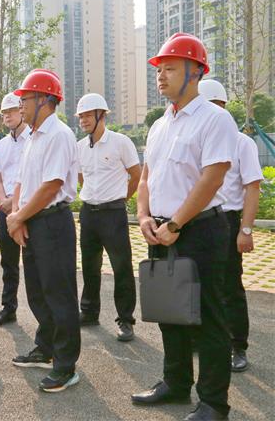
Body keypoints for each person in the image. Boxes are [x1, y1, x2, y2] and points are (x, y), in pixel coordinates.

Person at [131, 33, 238, 421]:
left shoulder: (215, 119)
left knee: (208, 317)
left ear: (195, 72)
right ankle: (175, 384)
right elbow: (146, 177)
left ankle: (213, 402)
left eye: (170, 68)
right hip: (159, 231)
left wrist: (176, 222)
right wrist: (144, 216)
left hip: (200, 231)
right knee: (169, 311)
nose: (161, 76)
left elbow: (212, 177)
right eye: (159, 69)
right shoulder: (160, 125)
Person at [6, 69, 81, 393]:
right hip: (31, 220)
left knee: (59, 294)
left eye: (25, 99)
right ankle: (46, 347)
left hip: (52, 222)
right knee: (37, 291)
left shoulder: (59, 135)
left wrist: (19, 216)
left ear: (45, 100)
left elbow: (51, 185)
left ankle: (66, 366)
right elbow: (21, 183)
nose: (20, 105)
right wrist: (17, 217)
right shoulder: (32, 138)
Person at [199, 79, 263, 373]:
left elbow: (252, 188)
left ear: (223, 107)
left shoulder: (241, 143)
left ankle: (238, 345)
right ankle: (205, 338)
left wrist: (245, 230)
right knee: (200, 284)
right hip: (197, 221)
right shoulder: (197, 140)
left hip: (226, 221)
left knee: (229, 286)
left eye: (213, 106)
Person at [76, 93, 141, 341]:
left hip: (113, 214)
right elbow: (81, 177)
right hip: (88, 213)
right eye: (80, 116)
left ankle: (125, 319)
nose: (83, 120)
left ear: (101, 115)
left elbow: (136, 175)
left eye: (87, 115)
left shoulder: (120, 142)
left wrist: (122, 198)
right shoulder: (80, 147)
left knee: (121, 267)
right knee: (89, 266)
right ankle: (89, 312)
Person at [0, 93, 28, 327]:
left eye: (11, 111)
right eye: (4, 113)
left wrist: (15, 202)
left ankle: (43, 312)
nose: (7, 116)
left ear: (21, 111)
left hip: (28, 209)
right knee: (8, 261)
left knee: (34, 262)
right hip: (5, 210)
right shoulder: (2, 145)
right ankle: (8, 307)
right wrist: (4, 201)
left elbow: (35, 177)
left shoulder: (34, 139)